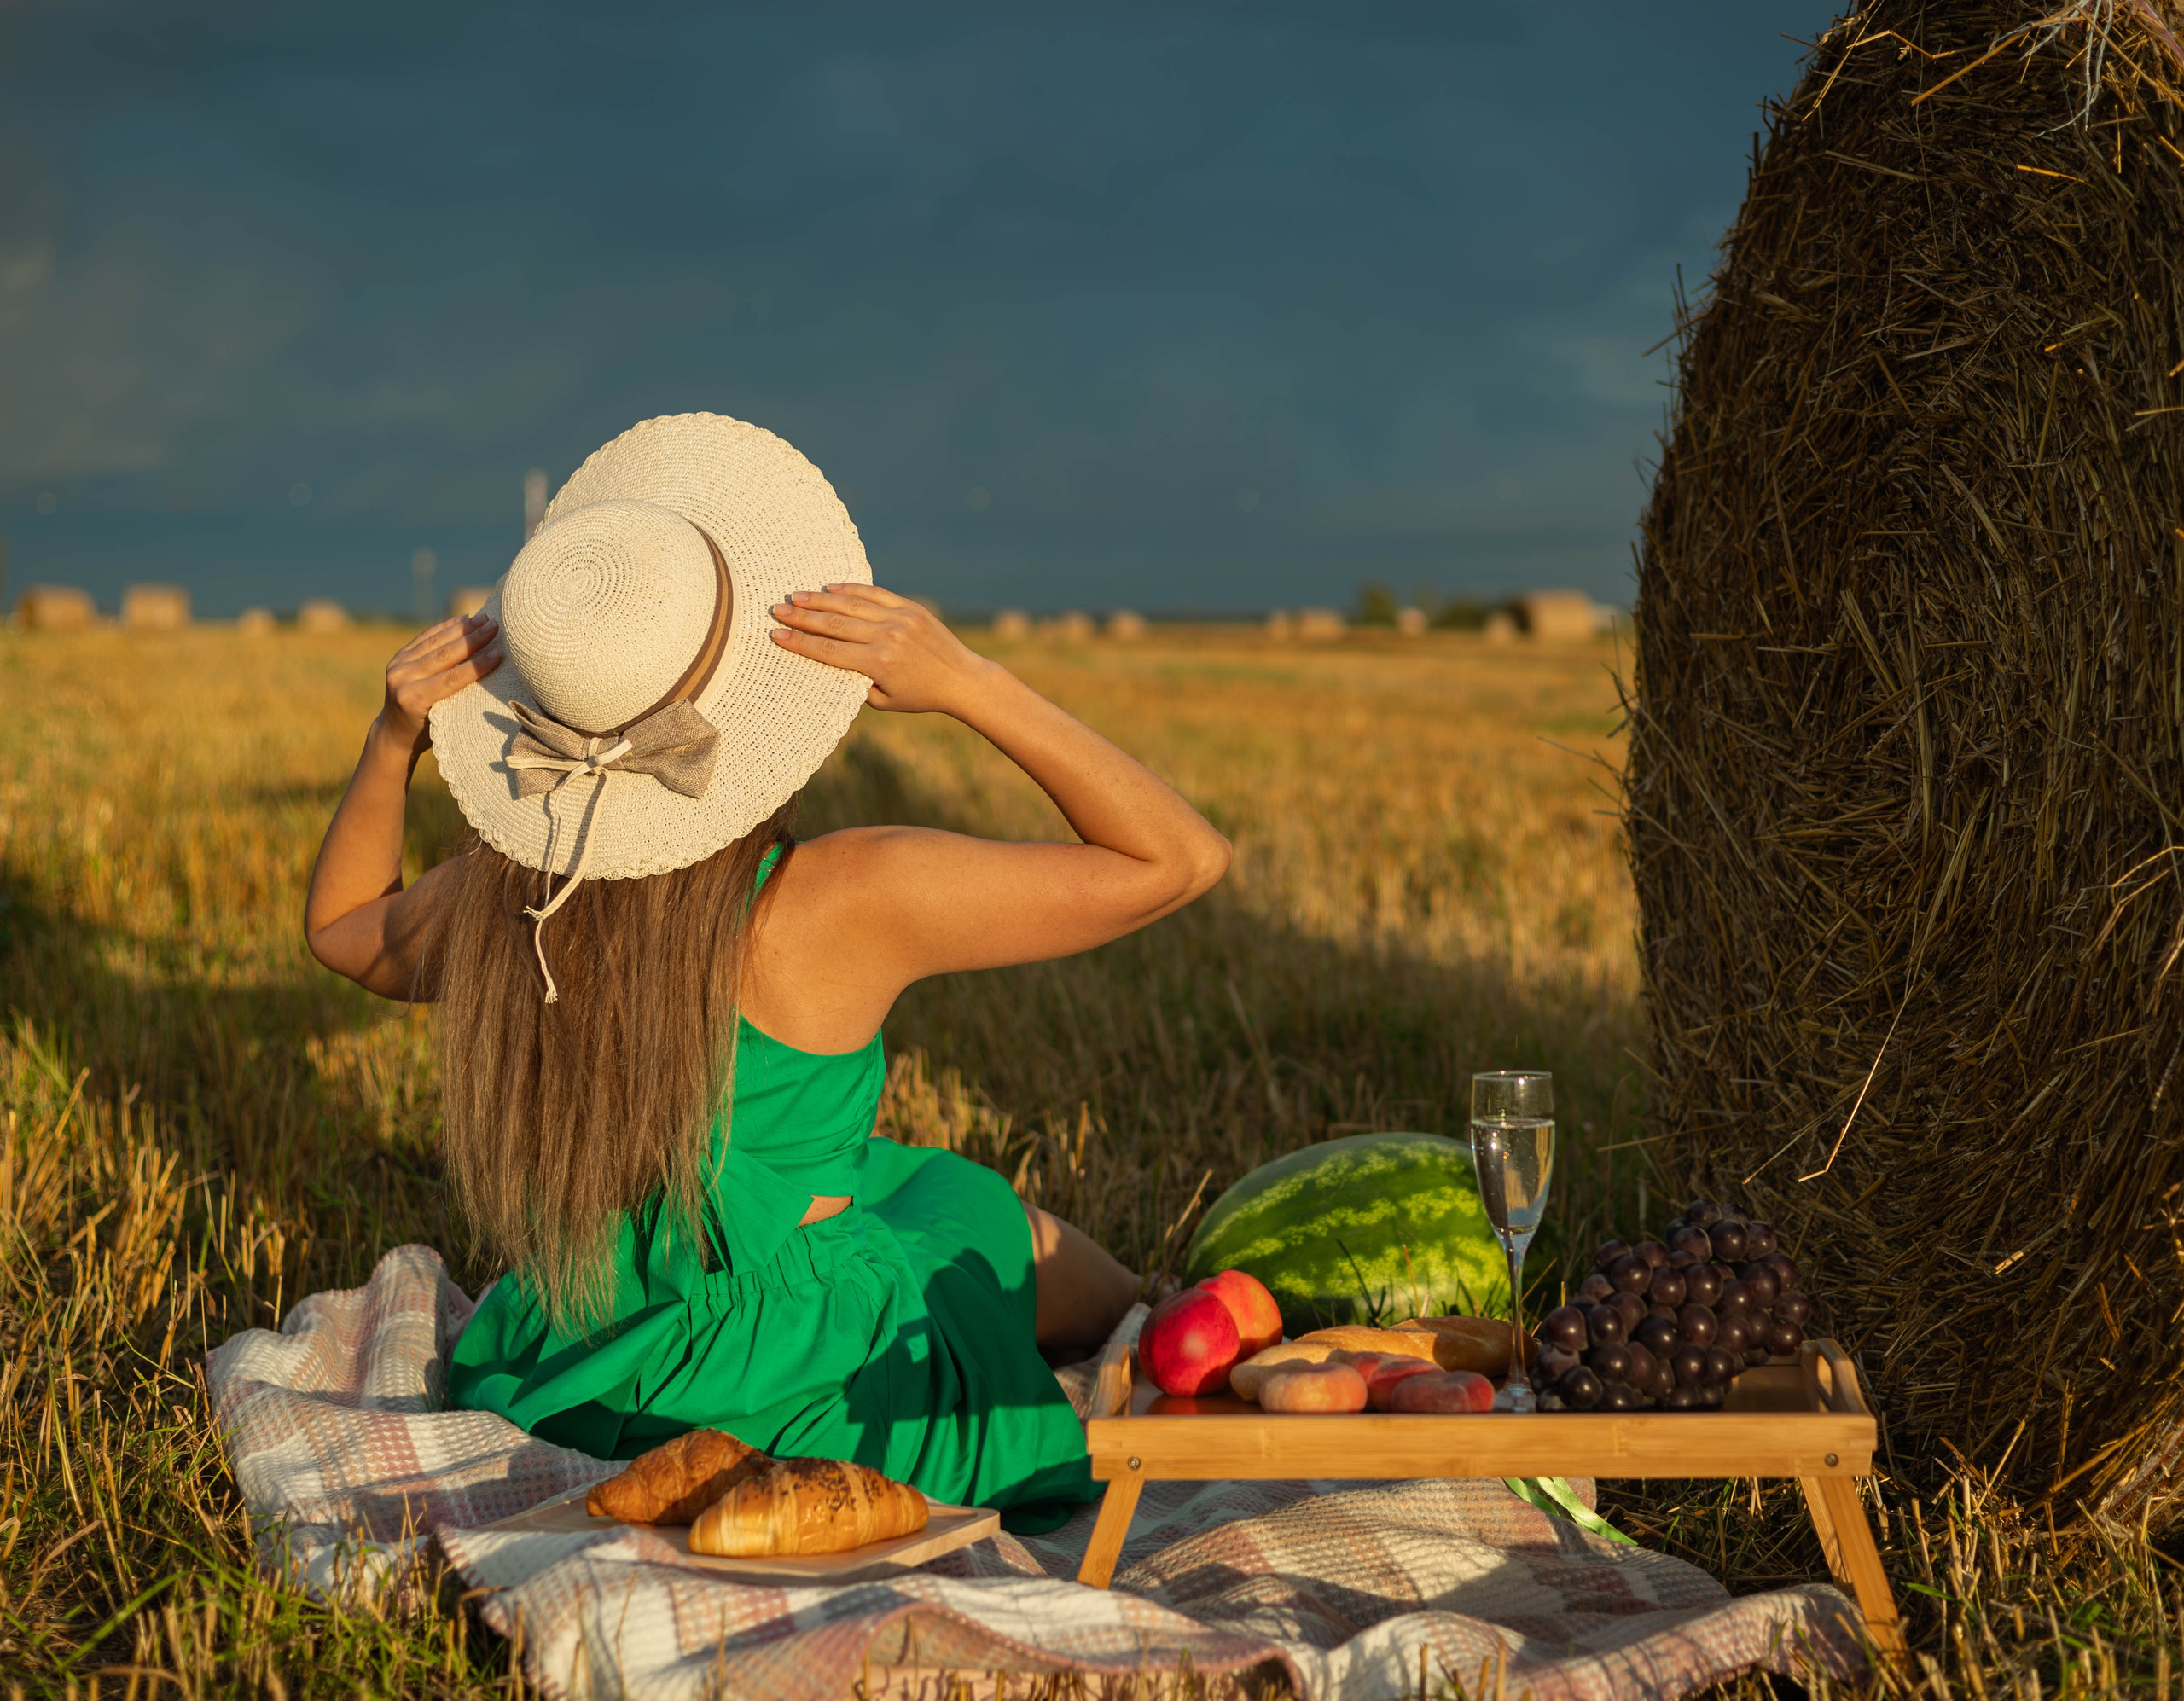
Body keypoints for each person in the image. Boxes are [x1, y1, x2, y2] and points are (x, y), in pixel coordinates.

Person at [302, 415, 1230, 1529]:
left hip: (568, 1359)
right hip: (787, 1388)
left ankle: (1134, 1307)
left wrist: (392, 735)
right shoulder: (840, 897)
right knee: (971, 1211)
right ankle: (1148, 1315)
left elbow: (345, 926)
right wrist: (971, 680)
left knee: (895, 1173)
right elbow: (1179, 858)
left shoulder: (515, 891)